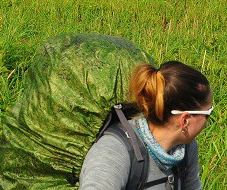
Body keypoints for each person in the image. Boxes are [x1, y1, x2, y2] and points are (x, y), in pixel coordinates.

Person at [80, 61, 212, 189]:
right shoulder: (114, 151)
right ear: (185, 121)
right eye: (208, 113)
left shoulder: (185, 150)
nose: (208, 122)